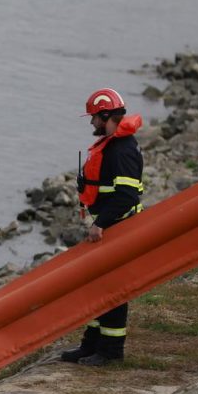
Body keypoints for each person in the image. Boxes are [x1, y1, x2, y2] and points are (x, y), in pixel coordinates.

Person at [60, 88, 145, 367]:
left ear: (106, 115)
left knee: (113, 290)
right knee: (98, 289)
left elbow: (126, 196)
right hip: (111, 227)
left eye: (95, 118)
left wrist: (100, 224)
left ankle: (110, 350)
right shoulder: (112, 146)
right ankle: (91, 345)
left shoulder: (122, 150)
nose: (92, 123)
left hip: (119, 228)